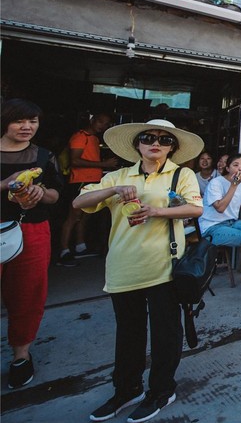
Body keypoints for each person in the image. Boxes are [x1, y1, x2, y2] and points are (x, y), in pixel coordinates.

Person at [74, 118, 203, 423]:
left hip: (164, 267)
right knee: (128, 334)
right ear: (137, 144)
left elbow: (195, 208)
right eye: (148, 137)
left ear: (172, 147)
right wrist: (113, 190)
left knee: (165, 334)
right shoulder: (118, 176)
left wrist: (157, 211)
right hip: (123, 267)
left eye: (164, 139)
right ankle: (126, 389)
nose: (155, 143)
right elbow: (80, 201)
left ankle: (161, 390)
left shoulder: (181, 174)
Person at [1, 99, 63, 390]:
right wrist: (5, 184)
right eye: (19, 121)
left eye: (33, 121)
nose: (27, 127)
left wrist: (41, 192)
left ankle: (21, 355)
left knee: (28, 293)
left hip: (33, 230)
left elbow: (57, 195)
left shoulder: (44, 156)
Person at [58, 112, 117, 265]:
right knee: (73, 216)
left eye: (106, 124)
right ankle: (64, 251)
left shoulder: (94, 138)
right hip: (80, 180)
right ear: (92, 120)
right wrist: (104, 164)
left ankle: (80, 247)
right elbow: (75, 161)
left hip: (92, 181)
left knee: (86, 215)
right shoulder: (80, 136)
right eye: (100, 122)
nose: (103, 126)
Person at [199, 153, 241, 281]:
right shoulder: (216, 183)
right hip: (213, 227)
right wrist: (234, 185)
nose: (240, 168)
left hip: (231, 223)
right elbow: (220, 208)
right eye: (236, 165)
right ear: (228, 168)